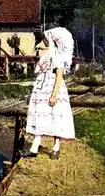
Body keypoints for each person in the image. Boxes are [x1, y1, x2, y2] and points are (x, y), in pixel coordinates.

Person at [21, 27, 75, 160]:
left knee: (56, 117)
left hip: (53, 90)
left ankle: (56, 148)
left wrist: (54, 95)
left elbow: (59, 77)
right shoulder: (47, 57)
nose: (45, 42)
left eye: (47, 40)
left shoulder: (59, 58)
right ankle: (34, 149)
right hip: (42, 89)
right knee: (40, 117)